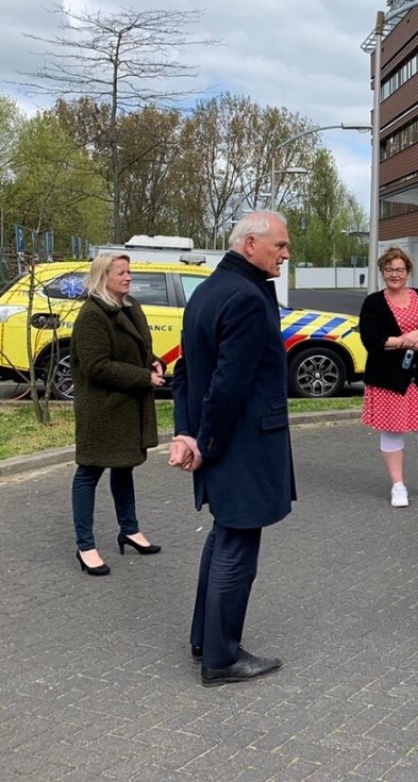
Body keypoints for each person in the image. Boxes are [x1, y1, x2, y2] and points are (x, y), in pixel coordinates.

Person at [169, 211, 295, 687]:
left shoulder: (207, 291)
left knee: (224, 538)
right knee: (238, 548)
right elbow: (227, 386)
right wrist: (206, 444)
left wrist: (187, 433)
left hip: (227, 444)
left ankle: (207, 639)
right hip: (242, 448)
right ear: (249, 245)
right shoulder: (244, 297)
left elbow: (185, 374)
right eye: (279, 245)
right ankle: (221, 659)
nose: (285, 254)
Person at [70, 253, 165, 576]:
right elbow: (97, 366)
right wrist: (143, 378)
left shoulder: (130, 306)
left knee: (124, 467)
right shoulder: (92, 316)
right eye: (122, 272)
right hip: (102, 408)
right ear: (103, 277)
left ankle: (129, 529)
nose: (128, 277)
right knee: (89, 473)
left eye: (129, 271)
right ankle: (85, 546)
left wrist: (153, 361)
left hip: (125, 407)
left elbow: (135, 348)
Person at [359, 246, 418, 508]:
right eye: (389, 269)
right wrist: (402, 342)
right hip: (388, 378)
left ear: (408, 272)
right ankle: (398, 486)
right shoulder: (373, 303)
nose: (394, 274)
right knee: (392, 431)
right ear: (381, 272)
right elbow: (370, 339)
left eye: (399, 269)